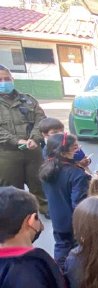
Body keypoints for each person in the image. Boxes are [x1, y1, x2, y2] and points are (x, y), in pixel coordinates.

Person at [0, 64, 48, 213]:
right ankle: (18, 216)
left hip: (33, 150)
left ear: (12, 79)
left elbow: (41, 119)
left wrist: (34, 138)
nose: (4, 82)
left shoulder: (28, 100)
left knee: (39, 182)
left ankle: (45, 208)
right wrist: (17, 141)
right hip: (7, 153)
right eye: (0, 80)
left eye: (7, 78)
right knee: (11, 190)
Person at [39, 133, 90, 267]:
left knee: (61, 246)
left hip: (57, 217)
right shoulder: (76, 174)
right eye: (75, 148)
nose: (79, 150)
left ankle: (59, 271)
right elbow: (78, 203)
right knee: (78, 250)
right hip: (74, 221)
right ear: (63, 152)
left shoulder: (47, 168)